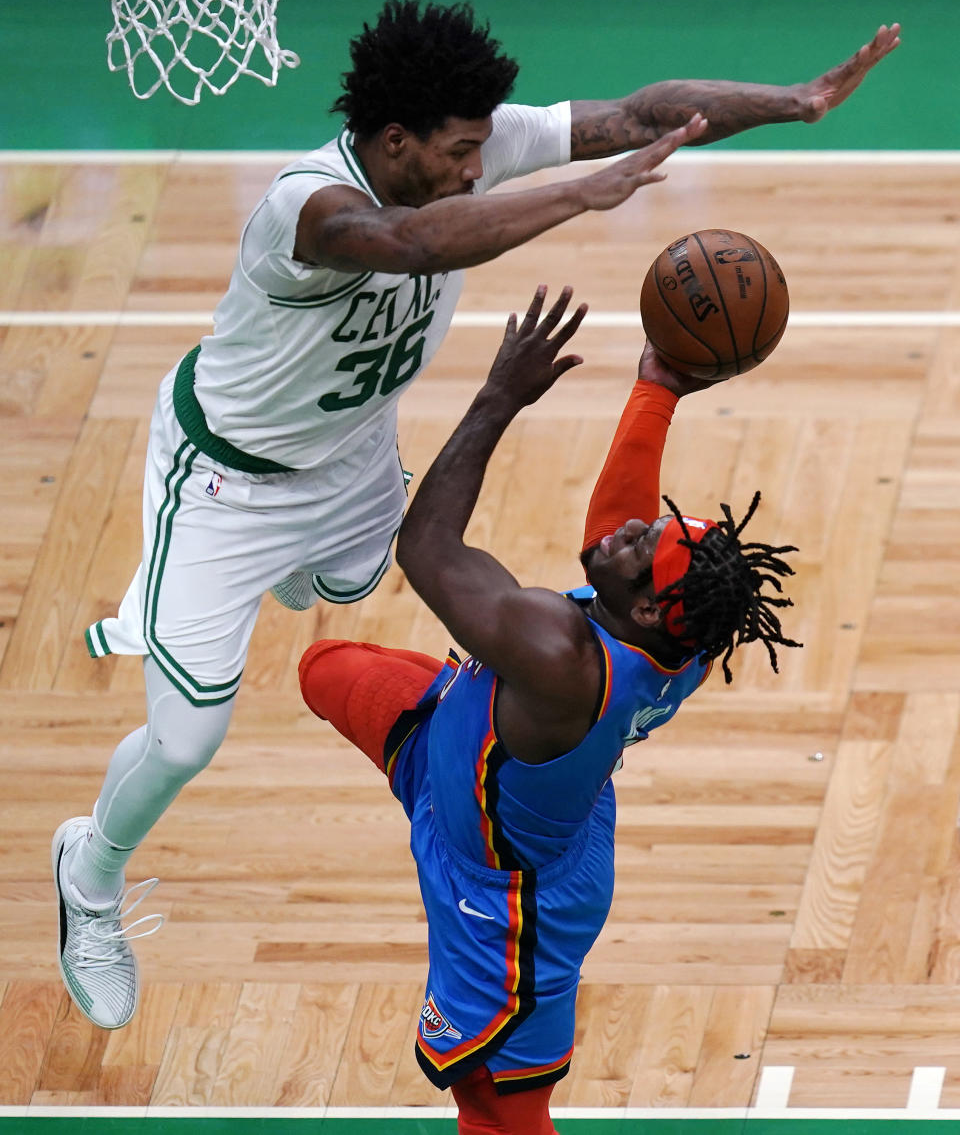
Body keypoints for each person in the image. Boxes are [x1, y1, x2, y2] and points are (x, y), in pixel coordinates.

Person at [52, 0, 898, 1030]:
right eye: (459, 153)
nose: (476, 165)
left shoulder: (471, 147)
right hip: (231, 480)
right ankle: (88, 877)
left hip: (352, 457)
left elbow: (641, 119)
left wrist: (797, 101)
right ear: (394, 140)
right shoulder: (305, 209)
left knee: (352, 579)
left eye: (482, 149)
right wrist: (582, 196)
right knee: (188, 738)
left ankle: (299, 572)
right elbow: (414, 246)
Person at [297, 285, 801, 1134]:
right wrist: (657, 387)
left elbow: (426, 548)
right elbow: (621, 523)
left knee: (494, 1103)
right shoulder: (683, 625)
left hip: (506, 894)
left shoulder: (558, 652)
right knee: (322, 667)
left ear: (645, 607)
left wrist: (501, 394)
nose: (634, 529)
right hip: (457, 748)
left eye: (645, 546)